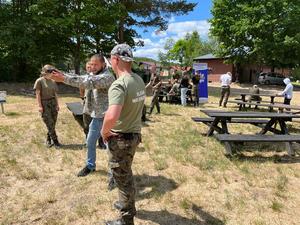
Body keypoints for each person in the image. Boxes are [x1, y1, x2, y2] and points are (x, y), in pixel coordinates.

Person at [49, 54, 115, 177]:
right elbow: (79, 77)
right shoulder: (93, 75)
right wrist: (60, 73)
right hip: (97, 116)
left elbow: (88, 82)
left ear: (103, 65)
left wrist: (63, 79)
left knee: (110, 147)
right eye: (91, 64)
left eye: (96, 65)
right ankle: (90, 166)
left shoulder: (107, 77)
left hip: (108, 117)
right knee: (90, 142)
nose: (93, 67)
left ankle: (113, 173)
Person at [101, 44, 145, 225]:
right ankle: (126, 206)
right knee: (126, 174)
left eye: (111, 60)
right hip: (134, 136)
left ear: (115, 60)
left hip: (120, 139)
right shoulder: (138, 80)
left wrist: (104, 132)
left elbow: (112, 115)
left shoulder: (118, 85)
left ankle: (126, 220)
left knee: (123, 180)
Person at [33, 65, 61, 148]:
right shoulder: (39, 81)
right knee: (49, 122)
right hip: (44, 103)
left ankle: (49, 138)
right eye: (50, 73)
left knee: (53, 122)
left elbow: (55, 94)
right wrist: (40, 106)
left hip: (53, 103)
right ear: (45, 73)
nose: (52, 74)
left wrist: (57, 104)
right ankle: (55, 141)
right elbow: (37, 94)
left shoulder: (53, 81)